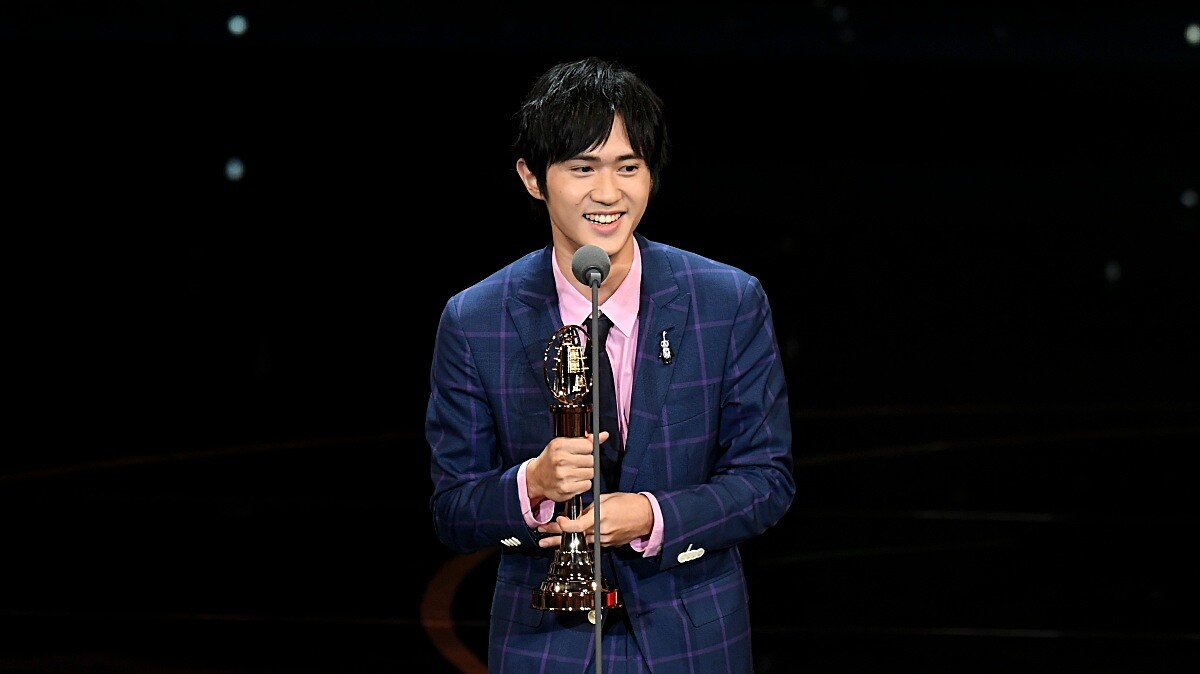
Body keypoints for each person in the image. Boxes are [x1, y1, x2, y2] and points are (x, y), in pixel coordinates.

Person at [426, 56, 795, 673]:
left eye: (629, 166)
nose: (608, 193)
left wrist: (652, 516)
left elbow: (766, 480)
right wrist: (531, 484)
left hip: (693, 642)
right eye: (582, 168)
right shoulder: (476, 319)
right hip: (542, 645)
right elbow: (453, 510)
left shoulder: (726, 301)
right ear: (532, 177)